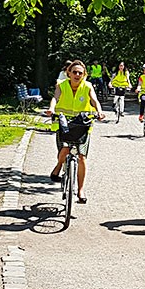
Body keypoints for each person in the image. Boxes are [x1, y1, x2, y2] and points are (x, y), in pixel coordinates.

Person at [45, 60, 105, 203]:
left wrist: (99, 111)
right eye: (74, 72)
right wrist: (51, 109)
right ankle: (59, 166)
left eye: (80, 73)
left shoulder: (87, 86)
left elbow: (94, 100)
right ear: (69, 74)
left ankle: (80, 190)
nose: (77, 75)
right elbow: (55, 98)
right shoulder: (62, 85)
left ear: (84, 74)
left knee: (82, 157)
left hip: (82, 124)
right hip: (64, 123)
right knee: (65, 149)